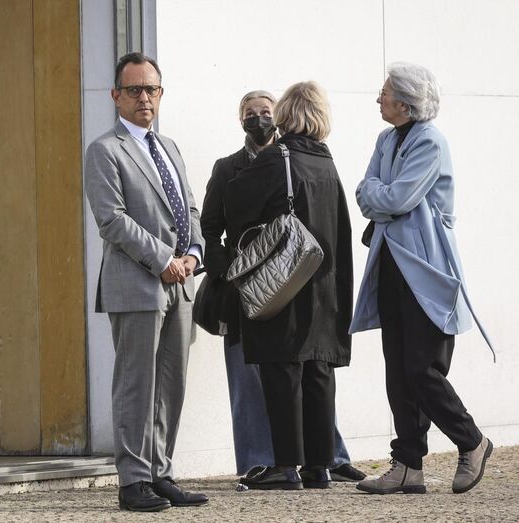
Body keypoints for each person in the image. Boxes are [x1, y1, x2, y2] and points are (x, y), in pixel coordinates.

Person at [200, 90, 365, 482]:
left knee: (282, 371)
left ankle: (284, 467)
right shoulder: (325, 160)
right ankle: (319, 468)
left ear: (286, 115)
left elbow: (237, 202)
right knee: (318, 372)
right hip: (322, 284)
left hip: (284, 284)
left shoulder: (279, 157)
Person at [350, 63, 494, 495]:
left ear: (405, 102)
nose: (378, 98)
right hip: (392, 263)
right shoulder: (386, 138)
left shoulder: (430, 141)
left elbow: (397, 196)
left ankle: (472, 441)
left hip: (426, 270)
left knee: (421, 368)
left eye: (385, 92)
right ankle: (408, 465)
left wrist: (378, 198)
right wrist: (379, 198)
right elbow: (365, 191)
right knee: (398, 369)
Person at [84, 52, 208, 512]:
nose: (144, 98)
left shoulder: (169, 147)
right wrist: (163, 261)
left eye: (151, 89)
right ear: (115, 96)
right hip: (136, 282)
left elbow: (189, 209)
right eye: (133, 90)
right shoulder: (105, 150)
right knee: (137, 384)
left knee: (171, 383)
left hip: (181, 281)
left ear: (161, 94)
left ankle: (161, 473)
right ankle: (133, 481)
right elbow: (111, 220)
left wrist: (193, 253)